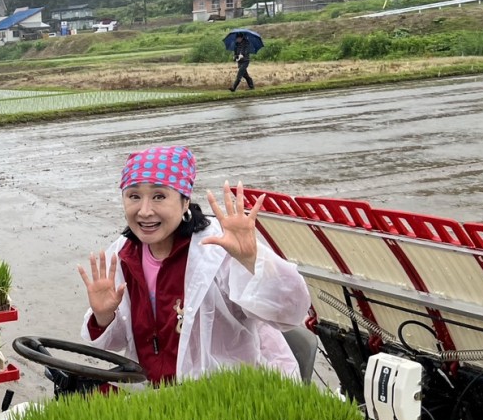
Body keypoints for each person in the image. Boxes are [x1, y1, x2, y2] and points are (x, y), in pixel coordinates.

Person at [78, 145, 310, 385]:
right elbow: (117, 341)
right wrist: (103, 316)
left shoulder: (218, 248)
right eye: (134, 196)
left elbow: (290, 313)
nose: (145, 211)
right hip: (153, 396)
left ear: (185, 201)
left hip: (229, 393)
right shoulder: (123, 255)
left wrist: (252, 261)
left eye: (159, 196)